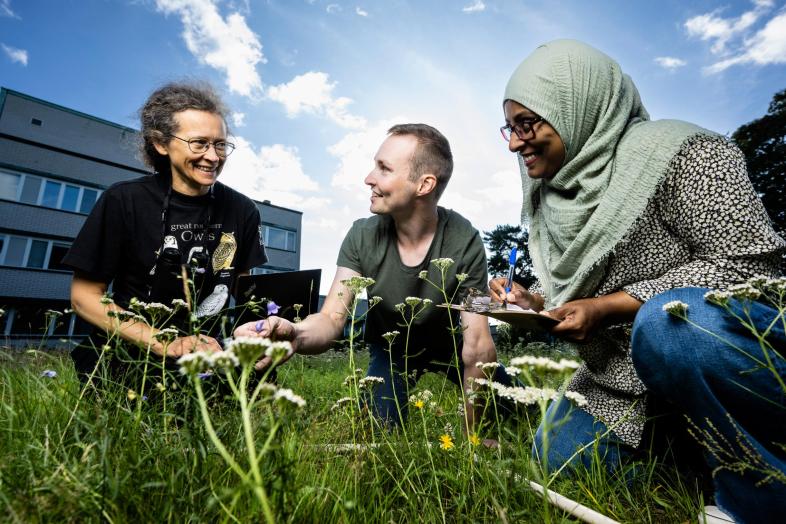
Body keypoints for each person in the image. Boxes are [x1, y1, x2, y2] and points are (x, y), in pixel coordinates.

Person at [489, 39, 785, 522]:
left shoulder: (683, 153)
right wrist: (534, 301)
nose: (514, 143)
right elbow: (581, 292)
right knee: (559, 459)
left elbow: (752, 267)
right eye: (509, 126)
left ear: (577, 107)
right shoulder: (552, 193)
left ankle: (759, 500)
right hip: (626, 379)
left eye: (528, 124)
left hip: (726, 352)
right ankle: (703, 458)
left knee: (671, 324)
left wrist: (613, 306)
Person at [236, 124, 514, 429]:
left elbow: (477, 343)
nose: (368, 178)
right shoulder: (362, 235)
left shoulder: (465, 240)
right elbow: (331, 318)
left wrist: (475, 435)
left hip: (450, 347)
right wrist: (295, 333)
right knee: (383, 431)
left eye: (384, 169)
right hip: (391, 349)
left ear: (424, 185)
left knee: (519, 410)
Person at [64, 82, 268, 387]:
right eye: (199, 143)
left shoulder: (243, 210)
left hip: (208, 363)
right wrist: (164, 343)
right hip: (128, 361)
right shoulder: (124, 200)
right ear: (161, 143)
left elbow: (244, 294)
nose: (213, 157)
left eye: (220, 144)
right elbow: (84, 298)